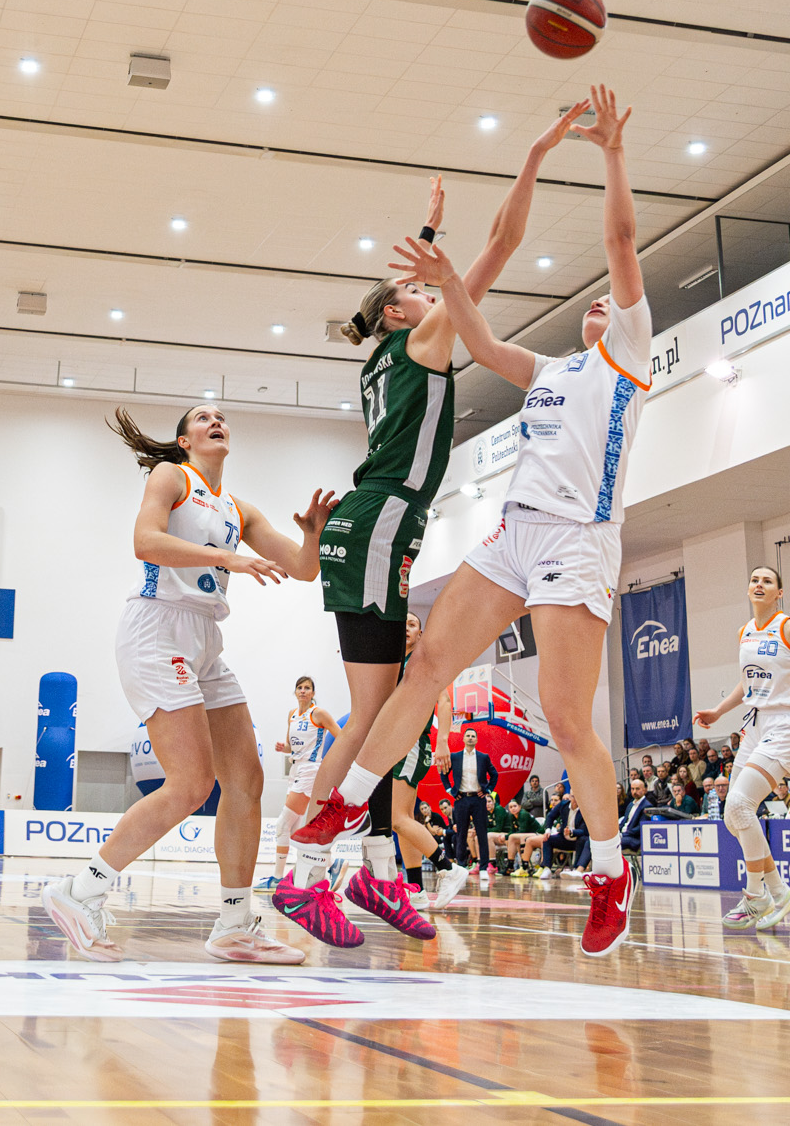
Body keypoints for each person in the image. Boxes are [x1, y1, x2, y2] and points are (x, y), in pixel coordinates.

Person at [293, 85, 649, 958]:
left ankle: (610, 870)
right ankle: (349, 805)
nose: (597, 303)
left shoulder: (627, 356)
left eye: (606, 302)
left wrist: (605, 152)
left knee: (566, 719)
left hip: (576, 538)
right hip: (513, 532)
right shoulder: (550, 367)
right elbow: (482, 340)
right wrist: (453, 270)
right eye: (591, 303)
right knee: (426, 668)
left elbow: (618, 242)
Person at [40, 403, 331, 964]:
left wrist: (313, 536)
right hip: (157, 629)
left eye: (220, 416)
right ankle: (80, 891)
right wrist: (227, 558)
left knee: (246, 779)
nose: (215, 421)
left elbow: (302, 568)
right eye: (201, 418)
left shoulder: (239, 508)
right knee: (192, 783)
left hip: (204, 639)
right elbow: (146, 542)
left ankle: (234, 925)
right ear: (184, 440)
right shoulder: (171, 476)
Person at [694, 565, 790, 932]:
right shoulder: (744, 632)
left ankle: (756, 895)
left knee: (740, 806)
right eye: (754, 580)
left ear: (779, 592)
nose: (759, 584)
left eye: (767, 581)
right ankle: (779, 892)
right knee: (733, 816)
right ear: (748, 589)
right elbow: (747, 684)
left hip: (786, 726)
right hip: (755, 725)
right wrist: (718, 711)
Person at [385, 620, 469, 913]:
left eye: (412, 624)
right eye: (403, 624)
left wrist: (443, 740)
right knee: (404, 821)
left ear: (420, 634)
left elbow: (443, 700)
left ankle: (448, 868)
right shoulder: (395, 662)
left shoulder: (424, 659)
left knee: (396, 818)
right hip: (394, 743)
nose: (406, 628)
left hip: (411, 742)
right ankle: (417, 891)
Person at [268, 675, 338, 886]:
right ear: (295, 691)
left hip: (310, 770)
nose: (303, 691)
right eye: (300, 687)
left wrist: (332, 763)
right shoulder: (292, 715)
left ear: (313, 693)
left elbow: (342, 736)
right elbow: (291, 746)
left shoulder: (318, 713)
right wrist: (284, 748)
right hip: (295, 769)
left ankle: (277, 879)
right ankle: (333, 864)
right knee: (294, 830)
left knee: (282, 825)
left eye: (307, 688)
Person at [442, 726, 498, 886]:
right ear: (463, 738)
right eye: (468, 735)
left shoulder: (483, 757)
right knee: (461, 833)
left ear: (477, 740)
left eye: (473, 736)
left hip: (478, 799)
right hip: (461, 799)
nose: (471, 738)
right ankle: (461, 866)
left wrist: (488, 790)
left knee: (482, 833)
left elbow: (494, 774)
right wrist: (450, 790)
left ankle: (483, 867)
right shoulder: (455, 757)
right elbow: (444, 773)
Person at [617, 778, 650, 853]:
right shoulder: (630, 804)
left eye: (637, 789)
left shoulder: (647, 806)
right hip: (623, 835)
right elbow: (624, 822)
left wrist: (623, 834)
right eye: (632, 789)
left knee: (611, 844)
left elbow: (640, 828)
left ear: (644, 790)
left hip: (634, 839)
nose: (634, 791)